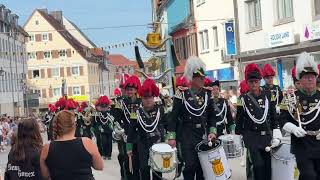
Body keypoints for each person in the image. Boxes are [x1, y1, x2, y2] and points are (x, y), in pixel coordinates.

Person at [167, 56, 217, 180]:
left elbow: (212, 116)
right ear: (193, 78)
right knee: (190, 166)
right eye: (200, 77)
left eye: (203, 77)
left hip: (202, 134)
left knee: (203, 167)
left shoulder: (207, 93)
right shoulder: (182, 94)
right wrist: (172, 136)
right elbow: (173, 117)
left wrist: (212, 131)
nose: (203, 79)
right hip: (187, 135)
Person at [235, 63, 281, 180]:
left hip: (266, 136)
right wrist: (238, 137)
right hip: (252, 137)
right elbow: (239, 119)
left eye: (256, 81)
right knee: (258, 166)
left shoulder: (268, 95)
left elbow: (272, 115)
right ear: (247, 83)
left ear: (260, 81)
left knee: (267, 167)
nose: (254, 84)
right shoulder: (243, 99)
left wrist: (276, 131)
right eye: (251, 82)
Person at [282, 52, 320, 180]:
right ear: (300, 79)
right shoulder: (291, 98)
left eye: (312, 76)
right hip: (302, 144)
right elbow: (281, 120)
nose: (310, 79)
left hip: (319, 142)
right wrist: (293, 128)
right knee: (309, 175)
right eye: (306, 76)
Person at [40, 110, 103, 180]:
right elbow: (99, 166)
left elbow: (45, 176)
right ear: (74, 125)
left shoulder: (47, 147)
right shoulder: (87, 142)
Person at [126, 79, 165, 180]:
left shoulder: (160, 109)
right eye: (145, 98)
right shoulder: (136, 111)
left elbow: (167, 124)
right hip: (143, 143)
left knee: (157, 169)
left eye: (150, 97)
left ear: (153, 97)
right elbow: (131, 129)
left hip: (158, 143)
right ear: (141, 98)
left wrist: (169, 138)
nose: (148, 100)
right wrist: (129, 147)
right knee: (144, 169)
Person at [120, 75, 141, 180]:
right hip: (127, 135)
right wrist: (120, 130)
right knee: (127, 161)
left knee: (140, 162)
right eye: (127, 90)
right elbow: (118, 117)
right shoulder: (122, 102)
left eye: (131, 90)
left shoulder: (141, 102)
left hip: (140, 136)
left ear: (136, 90)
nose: (129, 92)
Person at [92, 95, 113, 160]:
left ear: (107, 106)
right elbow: (96, 122)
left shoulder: (109, 113)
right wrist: (98, 128)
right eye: (102, 107)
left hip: (109, 130)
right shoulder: (98, 114)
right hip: (102, 130)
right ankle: (104, 154)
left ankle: (109, 154)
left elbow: (112, 121)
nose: (104, 108)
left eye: (105, 107)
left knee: (109, 142)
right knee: (103, 142)